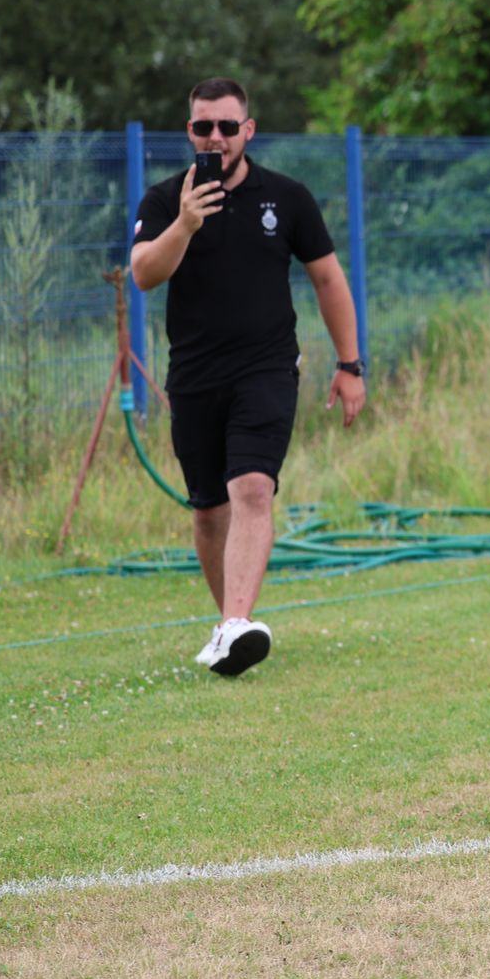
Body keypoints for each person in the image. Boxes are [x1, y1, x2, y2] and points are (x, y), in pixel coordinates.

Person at [129, 78, 366, 677]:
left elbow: (329, 280)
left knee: (253, 489)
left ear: (247, 130)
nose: (216, 138)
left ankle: (237, 621)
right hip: (194, 375)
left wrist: (349, 364)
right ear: (189, 132)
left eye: (227, 127)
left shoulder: (287, 198)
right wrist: (184, 224)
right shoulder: (164, 200)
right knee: (209, 509)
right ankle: (228, 627)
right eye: (203, 127)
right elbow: (142, 275)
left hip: (267, 369)